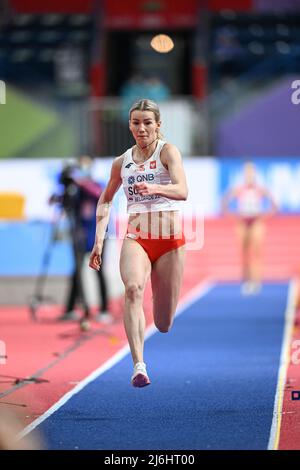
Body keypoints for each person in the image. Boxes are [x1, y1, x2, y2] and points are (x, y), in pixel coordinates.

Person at [89, 99, 188, 387]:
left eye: (147, 122)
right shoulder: (122, 162)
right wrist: (99, 240)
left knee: (163, 323)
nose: (141, 128)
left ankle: (159, 292)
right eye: (136, 122)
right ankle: (139, 365)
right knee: (132, 290)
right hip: (137, 238)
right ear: (129, 125)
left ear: (158, 125)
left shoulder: (168, 151)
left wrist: (155, 186)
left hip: (169, 241)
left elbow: (182, 190)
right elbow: (105, 199)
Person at [56, 155, 112, 324]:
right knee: (76, 272)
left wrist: (82, 182)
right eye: (81, 164)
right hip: (79, 233)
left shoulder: (96, 184)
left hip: (98, 235)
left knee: (99, 271)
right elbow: (67, 203)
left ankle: (103, 309)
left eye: (87, 164)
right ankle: (71, 308)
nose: (83, 167)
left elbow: (100, 195)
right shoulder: (75, 188)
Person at [222, 161, 277, 295]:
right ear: (244, 174)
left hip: (256, 221)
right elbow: (225, 203)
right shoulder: (239, 189)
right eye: (247, 172)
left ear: (255, 174)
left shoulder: (260, 189)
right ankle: (247, 281)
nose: (249, 175)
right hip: (243, 222)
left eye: (251, 172)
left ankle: (256, 282)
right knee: (244, 253)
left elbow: (274, 204)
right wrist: (234, 216)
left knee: (257, 252)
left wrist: (264, 216)